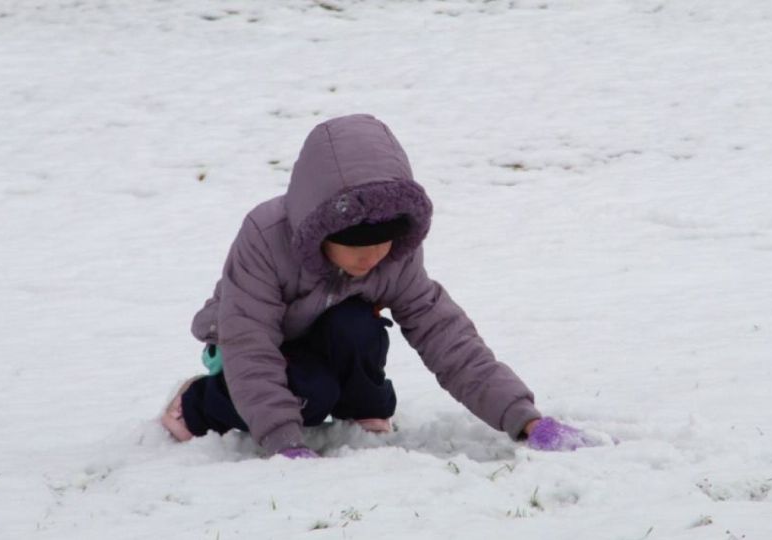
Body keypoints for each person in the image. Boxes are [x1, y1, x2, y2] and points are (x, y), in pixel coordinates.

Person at [161, 113, 596, 458]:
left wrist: (524, 418)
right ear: (319, 231)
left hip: (326, 337)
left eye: (381, 243)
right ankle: (198, 402)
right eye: (354, 245)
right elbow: (250, 343)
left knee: (358, 327)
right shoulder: (264, 237)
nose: (370, 258)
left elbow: (448, 338)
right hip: (251, 349)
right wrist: (283, 442)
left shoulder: (396, 256)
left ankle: (358, 407)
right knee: (311, 394)